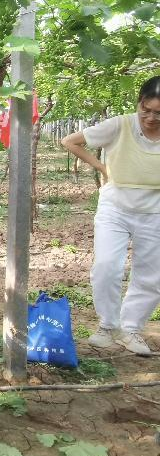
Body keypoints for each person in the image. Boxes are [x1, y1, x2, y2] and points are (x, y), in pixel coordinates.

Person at [61, 76, 160, 356]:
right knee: (106, 266)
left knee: (151, 276)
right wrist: (103, 168)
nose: (151, 118)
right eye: (146, 110)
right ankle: (108, 325)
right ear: (139, 103)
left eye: (158, 113)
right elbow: (70, 141)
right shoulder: (120, 125)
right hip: (115, 207)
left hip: (154, 211)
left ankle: (131, 328)